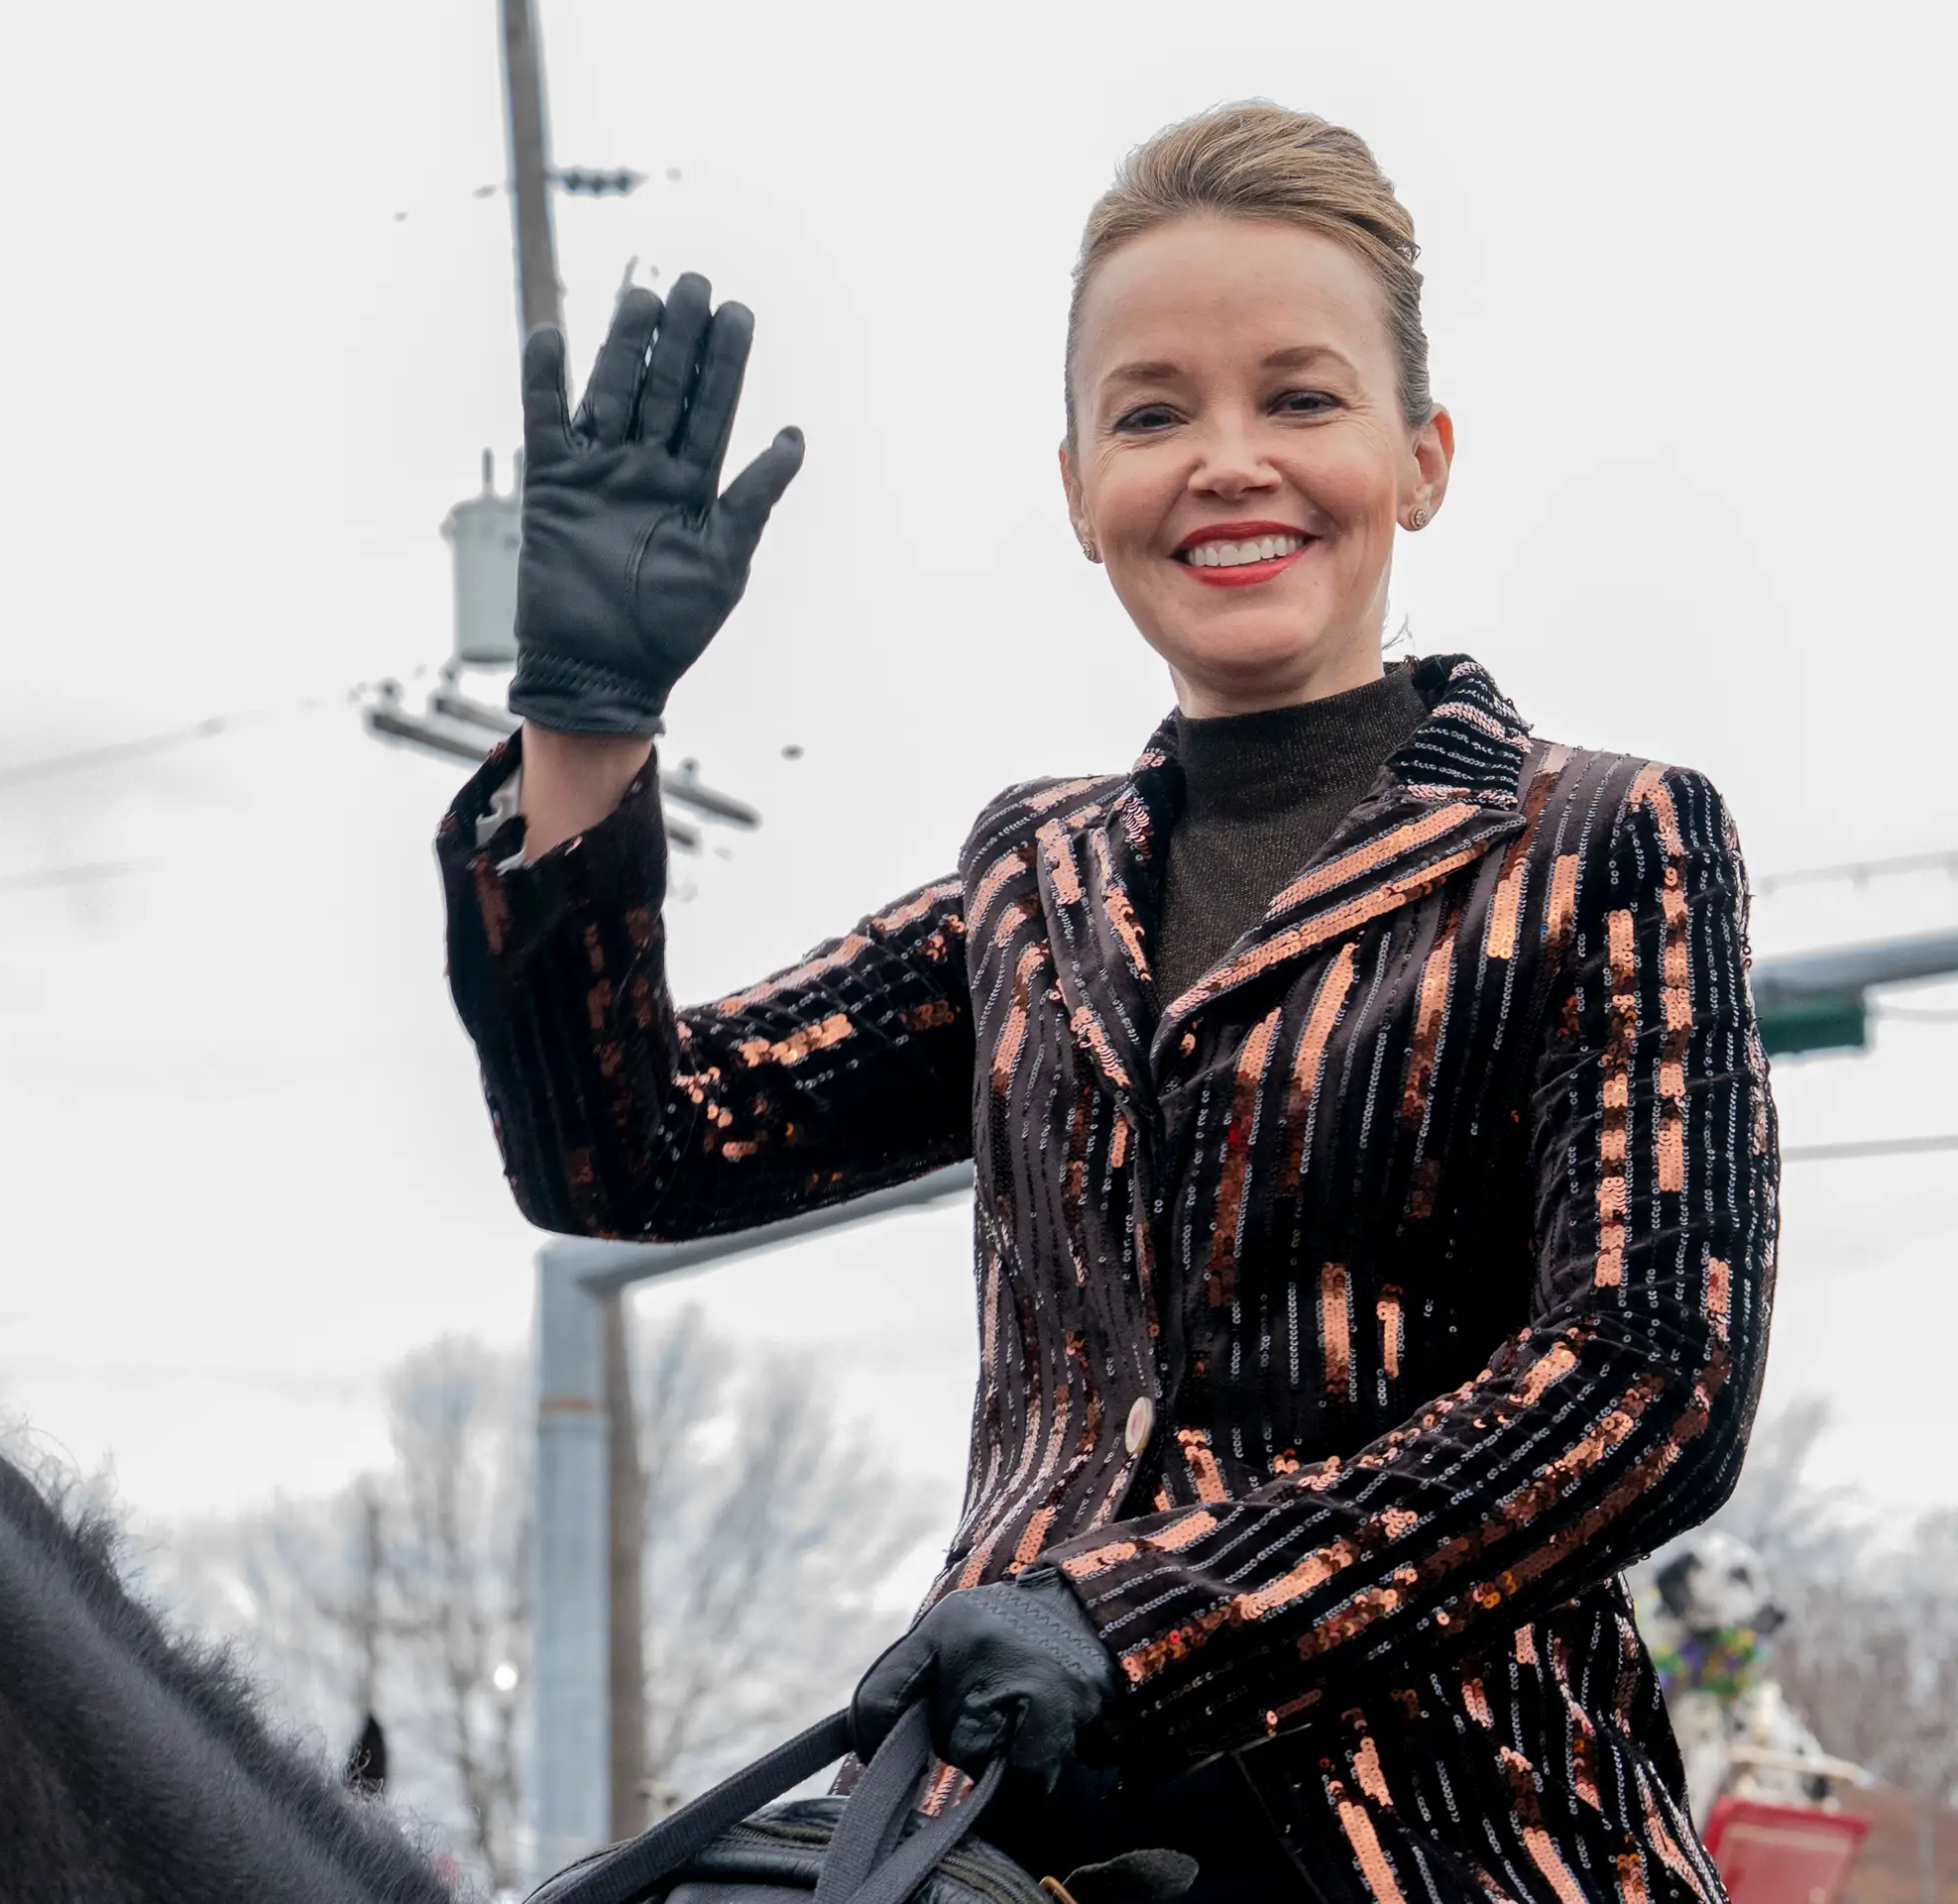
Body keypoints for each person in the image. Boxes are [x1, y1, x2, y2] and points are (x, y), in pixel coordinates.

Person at [435, 103, 1780, 1903]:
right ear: (1079, 486)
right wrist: (585, 722)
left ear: (1424, 454)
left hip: (1432, 1831)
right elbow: (638, 1151)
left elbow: (1644, 1387)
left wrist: (1132, 1623)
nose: (1228, 459)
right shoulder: (1030, 882)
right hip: (1005, 1811)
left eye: (1300, 399)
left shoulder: (1607, 840)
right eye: (1153, 412)